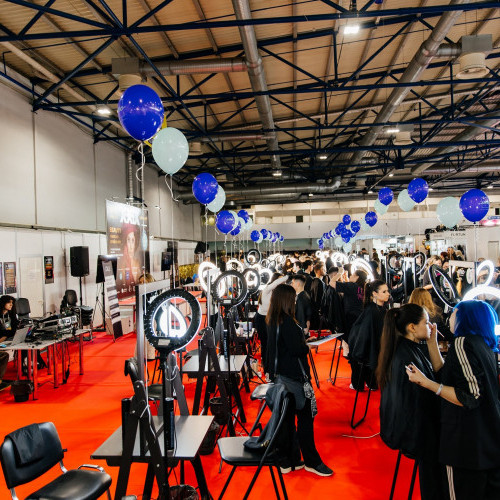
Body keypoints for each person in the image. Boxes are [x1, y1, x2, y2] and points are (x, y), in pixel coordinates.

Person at [406, 300, 500, 500]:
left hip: (464, 443)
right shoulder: (485, 346)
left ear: (466, 317)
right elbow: (447, 375)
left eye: (455, 313)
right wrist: (432, 343)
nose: (450, 316)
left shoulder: (462, 343)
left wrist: (427, 383)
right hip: (486, 440)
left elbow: (470, 396)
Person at [377, 304, 448, 500]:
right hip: (417, 434)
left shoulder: (406, 349)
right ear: (412, 327)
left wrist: (432, 344)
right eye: (426, 322)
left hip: (413, 427)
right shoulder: (406, 358)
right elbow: (421, 401)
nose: (431, 326)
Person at [266, 284, 333, 477]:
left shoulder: (273, 319)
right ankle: (311, 460)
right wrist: (307, 346)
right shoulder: (287, 321)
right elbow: (296, 349)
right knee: (305, 419)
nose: (296, 301)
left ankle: (289, 459)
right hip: (294, 376)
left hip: (281, 376)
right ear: (287, 300)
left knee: (286, 421)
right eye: (293, 298)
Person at [348, 280, 390, 390]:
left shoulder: (382, 309)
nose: (388, 294)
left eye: (387, 291)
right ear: (374, 294)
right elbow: (364, 336)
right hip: (365, 348)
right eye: (384, 291)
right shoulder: (371, 311)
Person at [254, 272, 288, 373]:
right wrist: (287, 276)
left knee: (272, 343)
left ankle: (272, 367)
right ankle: (266, 368)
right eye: (280, 280)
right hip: (261, 319)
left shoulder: (277, 293)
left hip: (270, 318)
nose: (282, 283)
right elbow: (276, 283)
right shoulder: (267, 289)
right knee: (265, 343)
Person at [329, 268, 367, 346]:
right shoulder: (362, 287)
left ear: (357, 277)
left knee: (351, 338)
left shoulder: (352, 286)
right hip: (360, 316)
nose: (350, 276)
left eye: (352, 275)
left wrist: (339, 273)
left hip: (350, 316)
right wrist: (345, 278)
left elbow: (331, 282)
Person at [117, 224, 143, 295]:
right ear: (125, 243)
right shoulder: (121, 265)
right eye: (128, 240)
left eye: (133, 240)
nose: (131, 245)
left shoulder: (137, 263)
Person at [0, 295, 18, 390]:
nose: (11, 305)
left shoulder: (11, 314)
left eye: (12, 303)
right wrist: (7, 334)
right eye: (9, 302)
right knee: (4, 355)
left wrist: (6, 335)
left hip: (7, 338)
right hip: (3, 338)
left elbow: (15, 328)